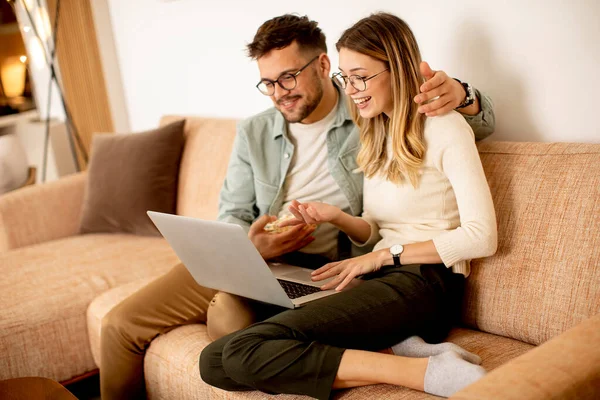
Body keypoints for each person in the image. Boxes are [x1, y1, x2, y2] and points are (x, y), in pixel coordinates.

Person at [99, 14, 495, 400]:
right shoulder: (274, 130)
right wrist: (257, 242)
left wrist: (463, 93)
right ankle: (393, 350)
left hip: (346, 268)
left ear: (321, 65)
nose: (279, 92)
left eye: (288, 77)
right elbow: (234, 212)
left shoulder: (364, 117)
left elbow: (451, 128)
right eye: (268, 82)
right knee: (130, 327)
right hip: (264, 258)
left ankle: (413, 363)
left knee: (232, 331)